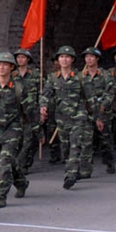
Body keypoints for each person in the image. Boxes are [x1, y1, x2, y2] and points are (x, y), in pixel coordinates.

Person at [0, 52, 29, 207]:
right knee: (8, 162)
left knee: (4, 162)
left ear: (11, 67)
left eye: (5, 64)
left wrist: (37, 131)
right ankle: (21, 182)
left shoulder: (19, 88)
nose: (1, 67)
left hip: (12, 129)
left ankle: (0, 196)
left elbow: (29, 110)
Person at [40, 46, 87, 189]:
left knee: (75, 144)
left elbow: (89, 97)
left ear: (72, 60)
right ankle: (74, 168)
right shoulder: (53, 78)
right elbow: (45, 94)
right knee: (65, 146)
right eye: (61, 57)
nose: (64, 59)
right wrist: (43, 106)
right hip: (61, 117)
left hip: (78, 115)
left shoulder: (80, 77)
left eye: (67, 57)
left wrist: (97, 116)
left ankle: (71, 175)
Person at [78, 47, 110, 178]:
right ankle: (86, 170)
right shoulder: (81, 76)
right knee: (86, 141)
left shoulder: (105, 74)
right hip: (87, 112)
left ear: (97, 59)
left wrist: (103, 107)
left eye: (91, 56)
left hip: (102, 112)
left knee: (105, 141)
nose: (89, 59)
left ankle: (109, 162)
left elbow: (110, 92)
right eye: (86, 57)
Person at [12, 48, 42, 174]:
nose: (20, 59)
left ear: (28, 59)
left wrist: (42, 108)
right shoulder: (12, 74)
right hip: (16, 111)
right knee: (17, 139)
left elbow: (41, 92)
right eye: (18, 57)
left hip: (31, 111)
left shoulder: (35, 74)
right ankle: (19, 163)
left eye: (23, 57)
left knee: (29, 139)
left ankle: (22, 164)